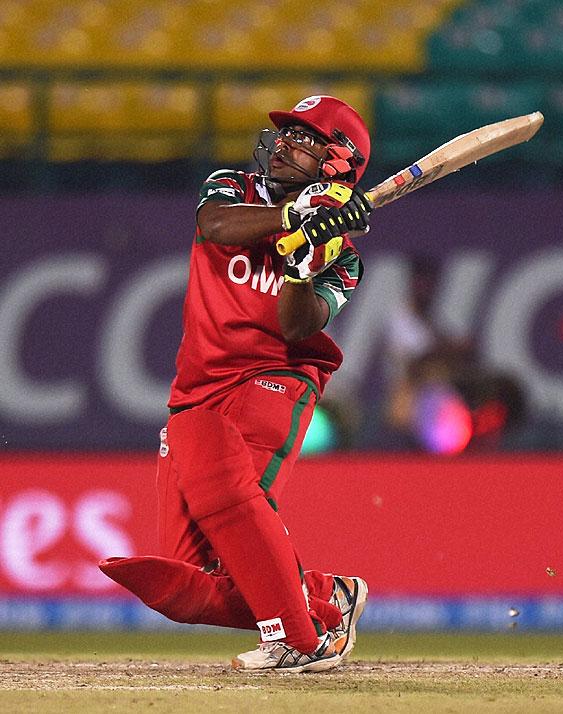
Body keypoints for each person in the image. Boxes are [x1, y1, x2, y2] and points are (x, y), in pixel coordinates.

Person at [98, 95, 373, 672]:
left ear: (337, 160)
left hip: (273, 380)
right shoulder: (231, 187)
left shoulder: (342, 256)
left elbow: (295, 325)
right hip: (197, 386)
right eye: (284, 134)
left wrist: (304, 263)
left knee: (227, 495)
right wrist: (296, 218)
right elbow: (215, 226)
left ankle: (299, 638)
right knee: (193, 580)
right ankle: (325, 598)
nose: (282, 144)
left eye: (303, 137)